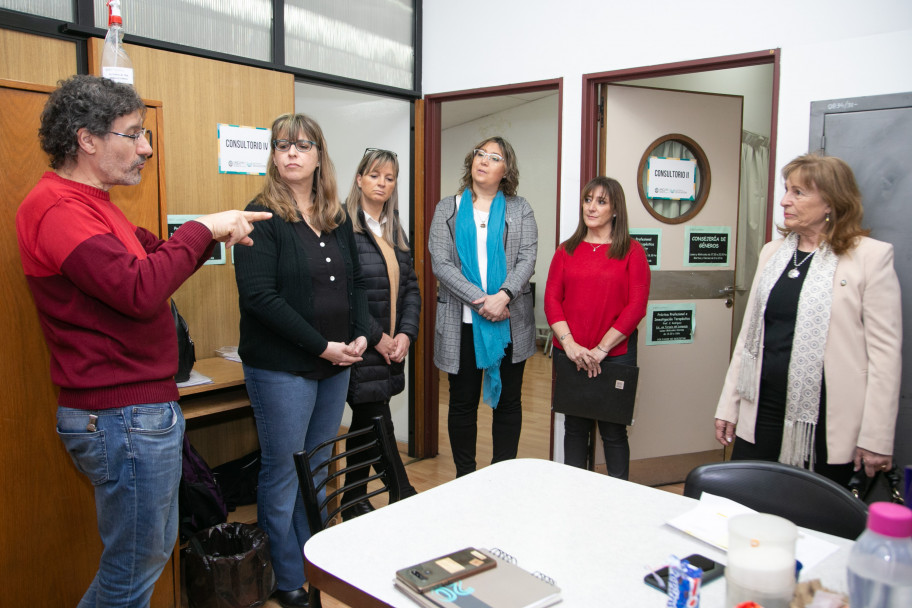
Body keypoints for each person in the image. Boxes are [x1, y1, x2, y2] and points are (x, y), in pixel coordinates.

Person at [15, 75, 270, 608]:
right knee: (131, 574)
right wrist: (202, 227)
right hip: (121, 416)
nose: (146, 148)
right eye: (133, 135)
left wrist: (212, 235)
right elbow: (139, 289)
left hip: (137, 412)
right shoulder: (59, 209)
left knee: (142, 562)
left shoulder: (93, 202)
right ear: (87, 140)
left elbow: (152, 258)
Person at [233, 113, 371, 608]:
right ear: (273, 156)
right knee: (282, 472)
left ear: (318, 155)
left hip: (335, 364)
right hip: (282, 369)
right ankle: (287, 578)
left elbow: (355, 284)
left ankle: (315, 563)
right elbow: (259, 298)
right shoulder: (260, 216)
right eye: (282, 145)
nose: (291, 152)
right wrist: (322, 346)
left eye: (302, 145)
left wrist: (358, 335)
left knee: (315, 469)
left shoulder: (335, 216)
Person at [715, 154, 902, 486]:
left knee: (815, 519)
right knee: (748, 502)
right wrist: (729, 405)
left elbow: (885, 356)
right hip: (763, 409)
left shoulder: (869, 257)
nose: (785, 200)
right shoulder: (773, 253)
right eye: (787, 190)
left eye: (799, 192)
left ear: (830, 201)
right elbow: (748, 337)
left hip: (828, 421)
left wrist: (877, 437)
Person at [428, 136, 538, 478]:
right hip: (461, 322)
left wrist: (503, 295)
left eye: (494, 157)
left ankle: (501, 477)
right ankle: (466, 476)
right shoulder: (448, 207)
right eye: (480, 154)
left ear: (506, 171)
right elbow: (441, 263)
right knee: (461, 404)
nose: (484, 161)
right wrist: (481, 301)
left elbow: (527, 258)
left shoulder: (521, 209)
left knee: (509, 403)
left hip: (509, 322)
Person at [544, 177, 650, 478]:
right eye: (588, 199)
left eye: (601, 201)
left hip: (615, 356)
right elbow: (552, 300)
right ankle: (575, 498)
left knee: (614, 433)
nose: (591, 207)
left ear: (615, 210)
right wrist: (572, 346)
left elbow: (636, 306)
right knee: (575, 429)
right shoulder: (566, 250)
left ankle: (618, 502)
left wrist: (603, 349)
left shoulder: (631, 251)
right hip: (572, 354)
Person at [340, 148, 421, 518]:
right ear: (359, 179)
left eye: (389, 178)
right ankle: (403, 491)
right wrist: (378, 338)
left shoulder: (394, 228)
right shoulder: (341, 226)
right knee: (377, 418)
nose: (382, 184)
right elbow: (344, 293)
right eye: (375, 176)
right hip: (361, 345)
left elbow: (411, 289)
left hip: (390, 348)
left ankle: (352, 499)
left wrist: (405, 333)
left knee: (365, 423)